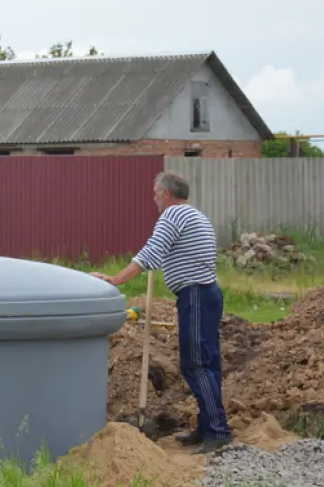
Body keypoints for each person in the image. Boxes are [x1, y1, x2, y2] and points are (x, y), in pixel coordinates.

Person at [90, 171, 233, 454]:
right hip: (207, 293)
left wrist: (116, 279)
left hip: (195, 294)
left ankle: (217, 431)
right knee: (209, 362)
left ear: (166, 194)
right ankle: (208, 427)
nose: (154, 199)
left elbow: (150, 254)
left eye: (156, 193)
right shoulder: (195, 215)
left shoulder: (172, 216)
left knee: (196, 364)